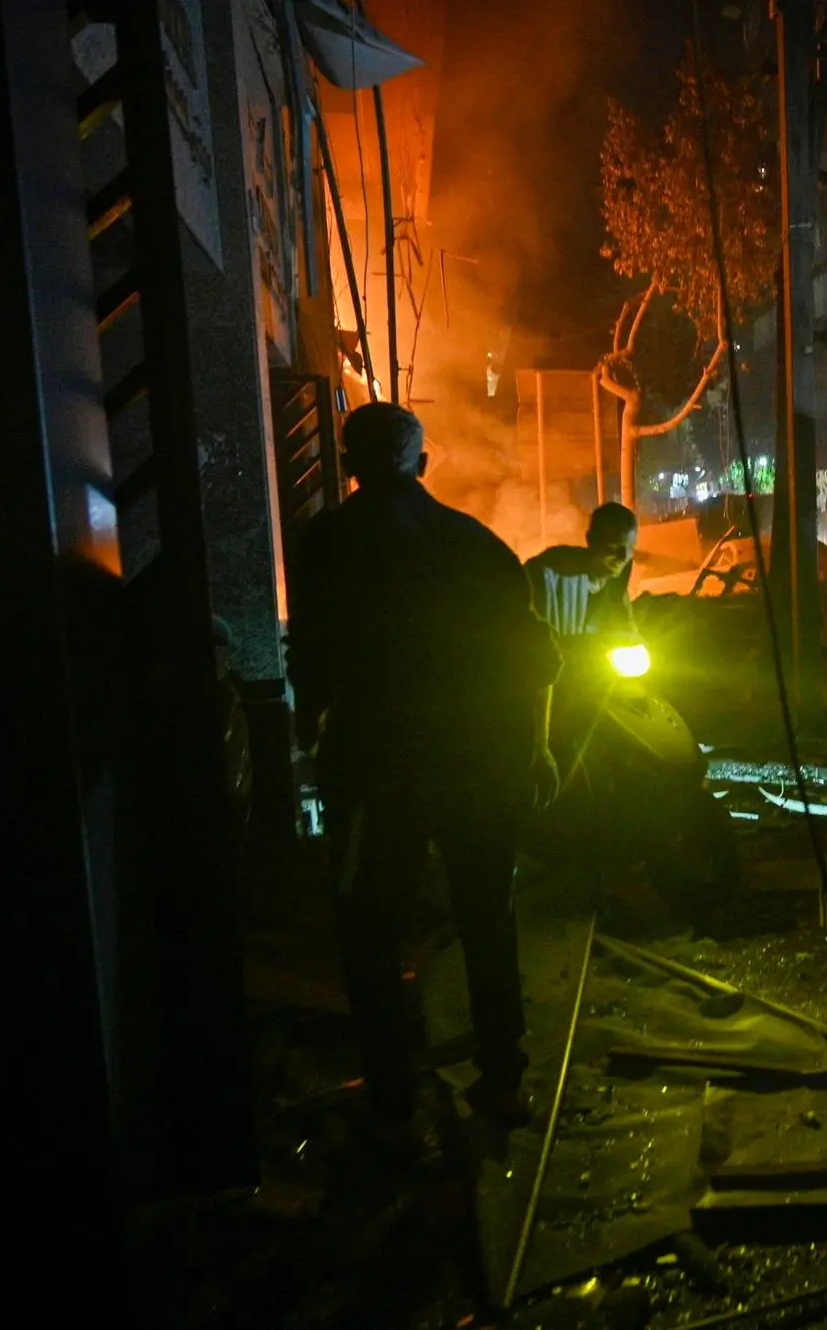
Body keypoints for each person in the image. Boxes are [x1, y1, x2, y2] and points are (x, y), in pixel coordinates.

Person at [288, 403, 561, 1143]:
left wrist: (310, 733)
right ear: (423, 464)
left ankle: (392, 1098)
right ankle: (501, 1081)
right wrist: (533, 751)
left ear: (348, 465)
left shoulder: (327, 543)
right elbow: (537, 662)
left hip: (377, 766)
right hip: (479, 760)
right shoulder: (476, 545)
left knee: (371, 925)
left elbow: (310, 665)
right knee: (484, 917)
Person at [525, 502, 641, 768]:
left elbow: (627, 630)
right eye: (613, 545)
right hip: (549, 698)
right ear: (591, 541)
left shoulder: (615, 579)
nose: (622, 556)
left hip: (590, 694)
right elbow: (540, 666)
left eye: (629, 547)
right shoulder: (549, 578)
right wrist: (540, 745)